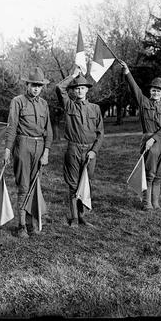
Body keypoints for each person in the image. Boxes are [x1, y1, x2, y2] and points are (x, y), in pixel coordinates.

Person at [4, 67, 53, 238]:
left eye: (39, 86)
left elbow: (49, 130)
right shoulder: (17, 101)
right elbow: (12, 127)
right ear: (27, 85)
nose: (36, 89)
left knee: (35, 185)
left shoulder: (44, 104)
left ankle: (32, 223)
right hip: (23, 145)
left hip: (39, 146)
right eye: (33, 85)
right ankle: (21, 225)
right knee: (24, 186)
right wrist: (8, 149)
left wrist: (46, 151)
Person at [120, 61, 161, 211]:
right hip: (148, 140)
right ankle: (146, 203)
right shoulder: (143, 103)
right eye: (153, 90)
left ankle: (156, 203)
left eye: (159, 91)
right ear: (150, 91)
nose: (156, 93)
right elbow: (134, 88)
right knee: (149, 173)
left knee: (159, 173)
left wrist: (154, 139)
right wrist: (127, 72)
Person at [55, 67, 104, 227]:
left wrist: (94, 151)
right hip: (74, 149)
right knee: (73, 184)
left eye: (82, 88)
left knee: (86, 183)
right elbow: (59, 88)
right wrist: (73, 75)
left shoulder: (95, 109)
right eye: (77, 88)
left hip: (89, 151)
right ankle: (74, 218)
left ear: (87, 90)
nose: (80, 91)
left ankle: (82, 216)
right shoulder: (69, 105)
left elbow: (100, 133)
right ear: (74, 91)